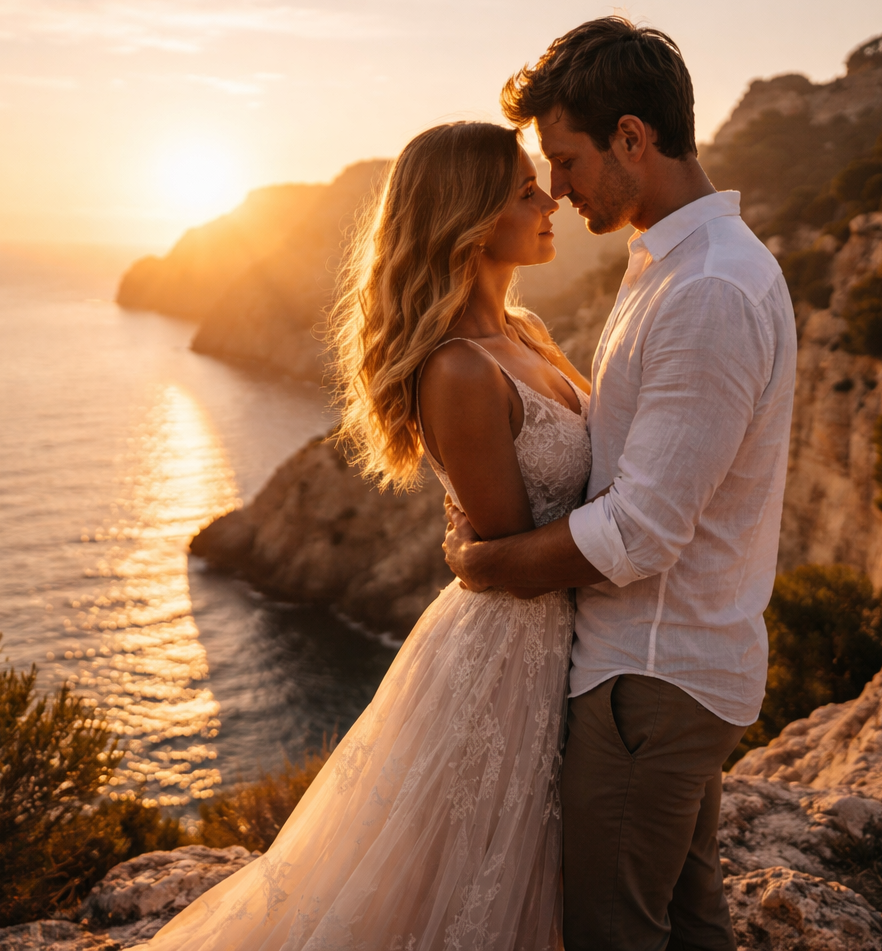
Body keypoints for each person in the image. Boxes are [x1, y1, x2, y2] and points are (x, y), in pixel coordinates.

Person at [133, 121, 592, 951]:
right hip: (513, 658)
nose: (549, 197)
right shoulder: (459, 368)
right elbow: (511, 558)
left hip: (566, 640)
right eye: (525, 189)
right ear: (470, 214)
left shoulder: (524, 335)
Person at [443, 17, 798, 951]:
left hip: (650, 671)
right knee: (687, 922)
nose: (556, 189)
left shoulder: (708, 291)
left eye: (565, 160)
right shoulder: (672, 270)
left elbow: (641, 533)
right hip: (665, 665)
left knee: (612, 931)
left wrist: (486, 566)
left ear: (632, 138)